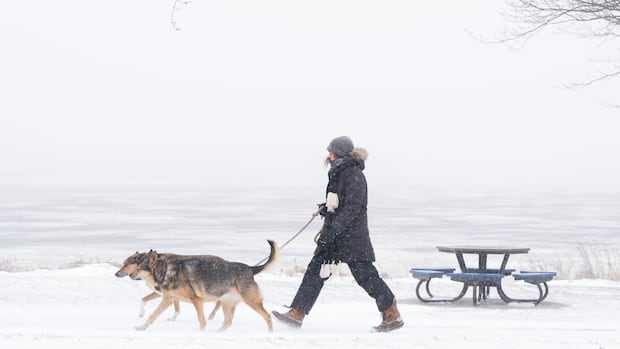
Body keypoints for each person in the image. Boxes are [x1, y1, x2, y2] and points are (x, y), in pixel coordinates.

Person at [272, 136, 404, 332]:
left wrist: (333, 229)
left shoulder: (354, 175)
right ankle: (297, 313)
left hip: (351, 237)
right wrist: (327, 209)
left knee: (365, 276)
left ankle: (391, 312)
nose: (329, 155)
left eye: (331, 151)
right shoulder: (340, 172)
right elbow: (341, 202)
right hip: (336, 237)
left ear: (340, 153)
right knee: (315, 271)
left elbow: (353, 208)